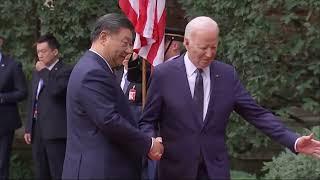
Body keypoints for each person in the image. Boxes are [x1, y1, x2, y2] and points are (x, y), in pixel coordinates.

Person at [139, 16, 320, 179]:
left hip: (214, 170)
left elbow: (257, 114)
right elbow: (148, 120)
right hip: (175, 170)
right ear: (186, 42)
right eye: (203, 48)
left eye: (214, 47)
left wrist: (294, 141)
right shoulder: (164, 74)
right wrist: (152, 140)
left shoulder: (226, 75)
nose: (209, 54)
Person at [62, 13, 163, 180]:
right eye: (125, 43)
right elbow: (109, 120)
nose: (129, 51)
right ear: (104, 37)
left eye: (131, 45)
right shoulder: (93, 72)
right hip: (98, 170)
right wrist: (149, 144)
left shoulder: (93, 67)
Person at [24, 34, 73, 180]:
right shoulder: (38, 72)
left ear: (55, 51)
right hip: (37, 131)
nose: (40, 55)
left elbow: (56, 90)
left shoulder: (66, 70)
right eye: (38, 51)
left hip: (56, 132)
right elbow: (33, 99)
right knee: (41, 172)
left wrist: (44, 71)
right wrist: (28, 127)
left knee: (57, 172)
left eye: (43, 51)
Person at [0, 35, 27, 180]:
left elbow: (22, 92)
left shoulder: (12, 65)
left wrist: (2, 97)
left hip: (4, 124)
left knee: (2, 165)